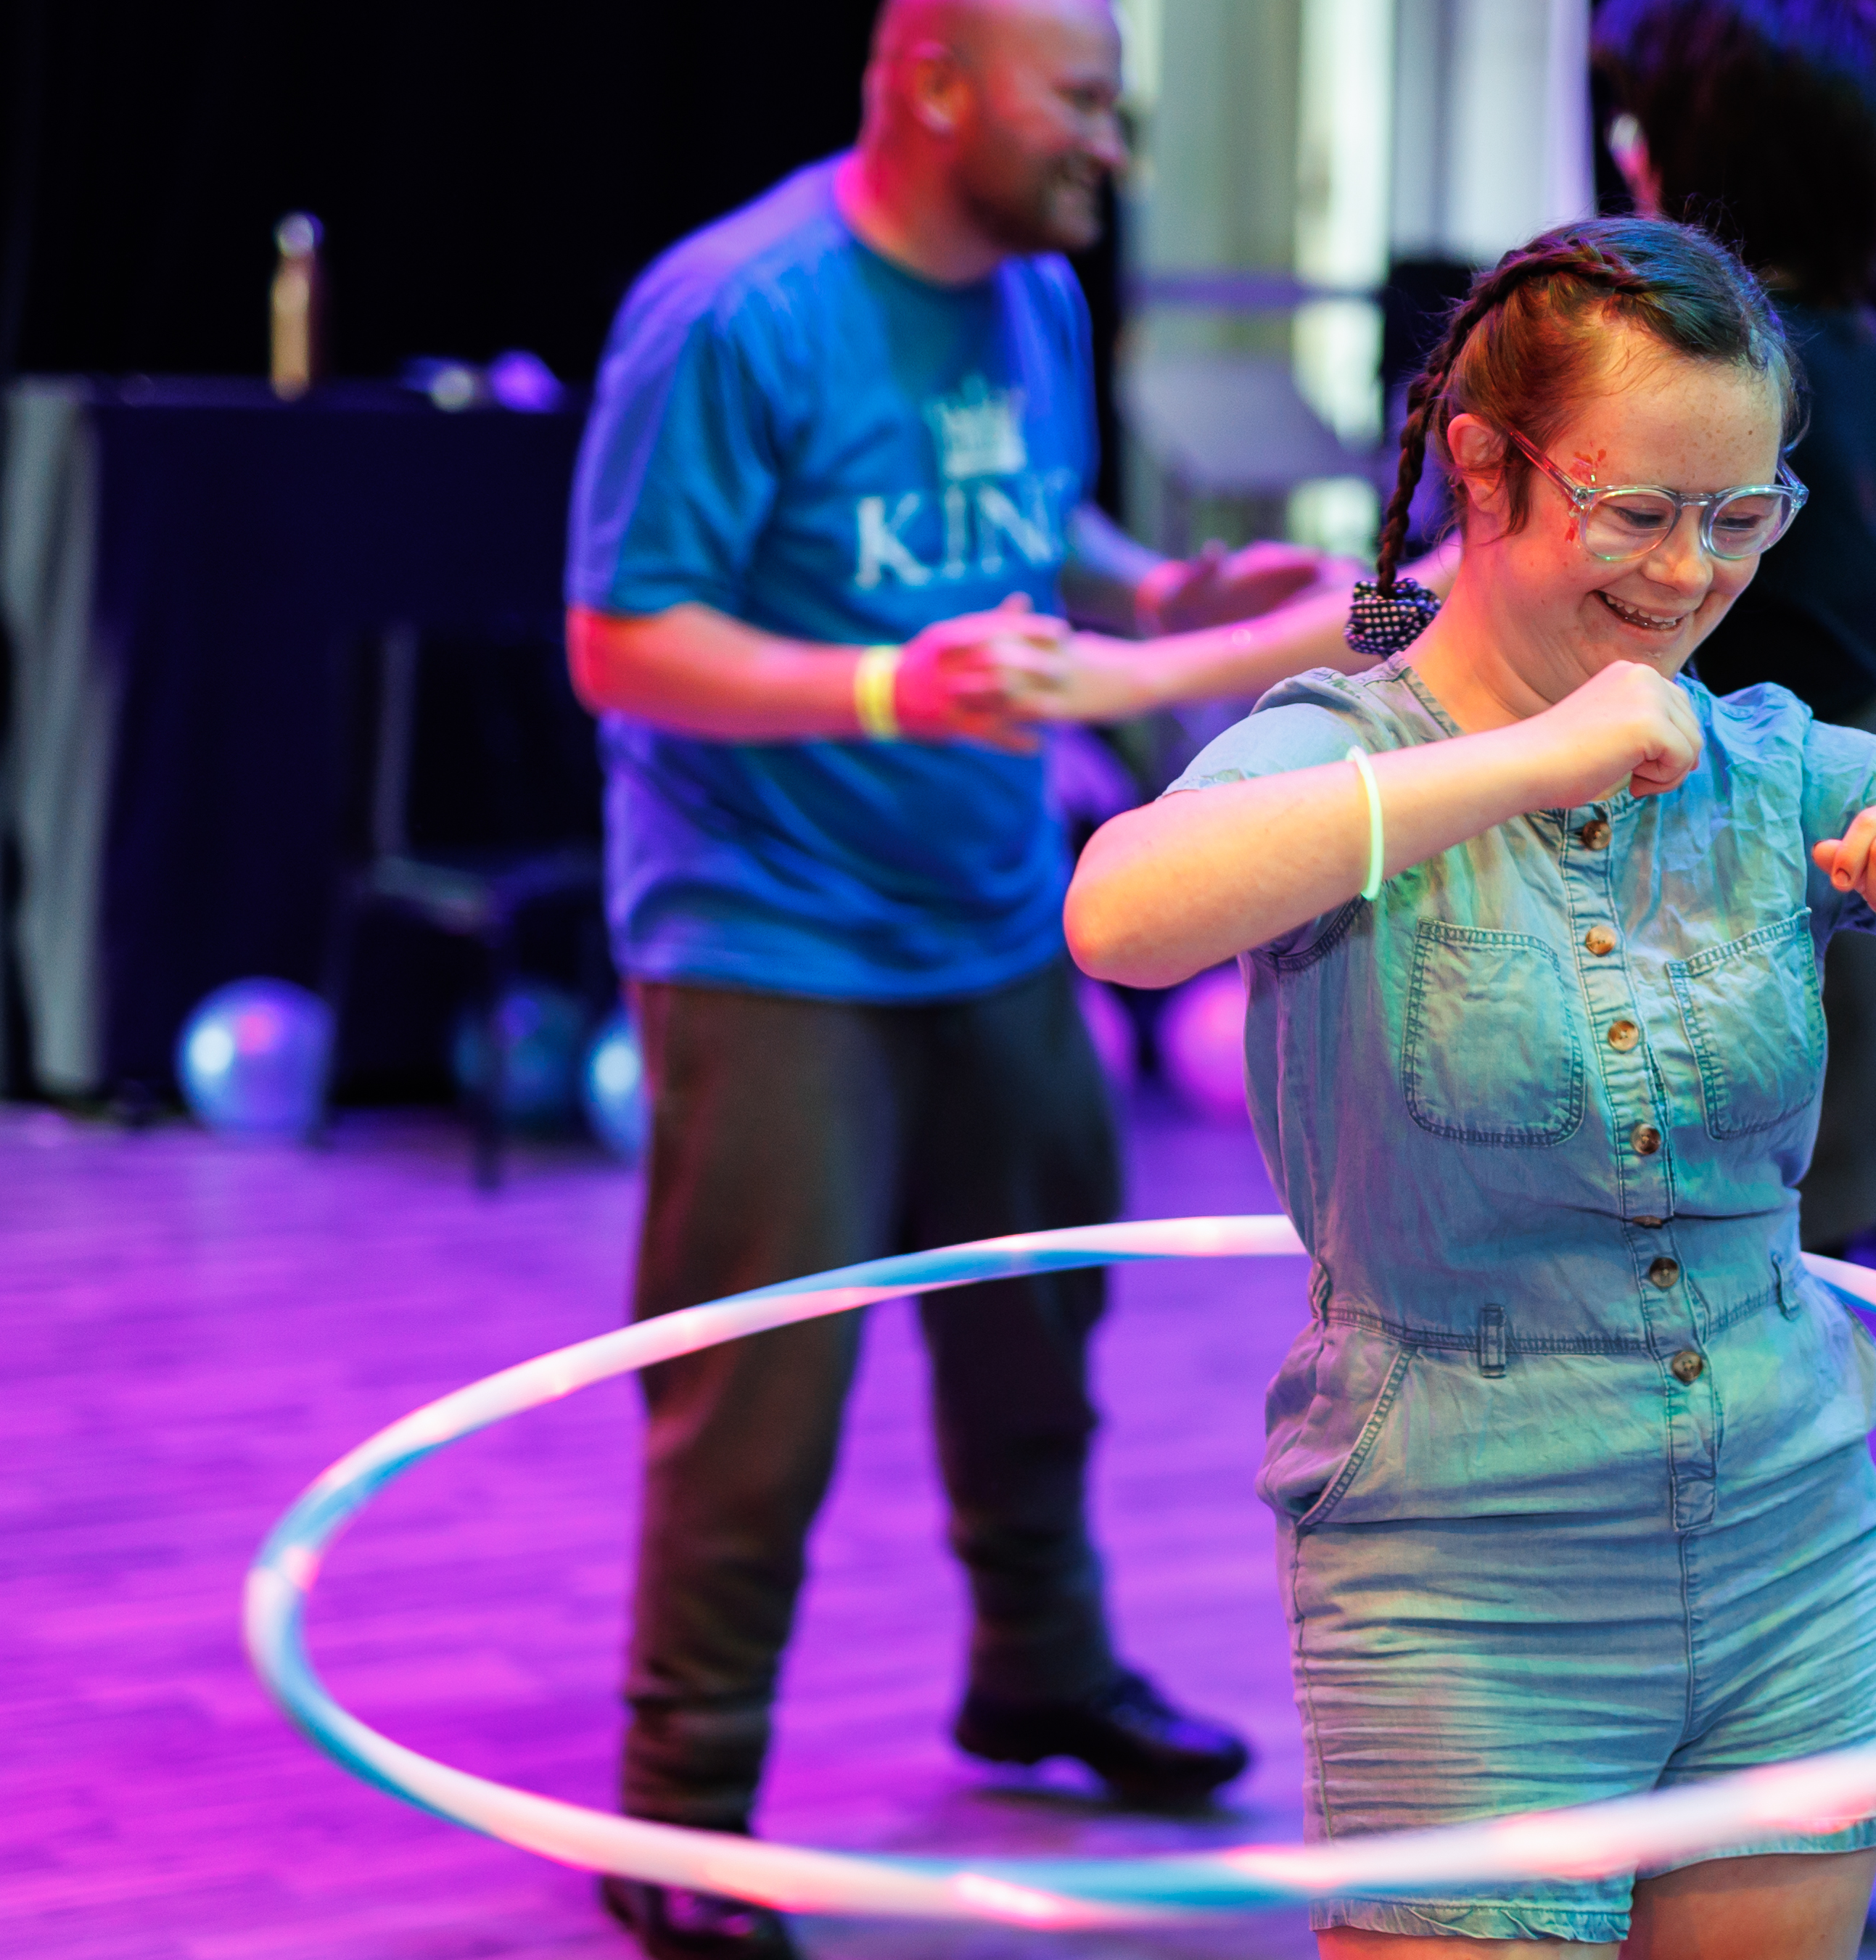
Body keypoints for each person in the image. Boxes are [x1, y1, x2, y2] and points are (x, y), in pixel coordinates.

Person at [1065, 215, 1876, 1957]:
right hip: (1461, 1572)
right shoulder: (1339, 750)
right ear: (1484, 468)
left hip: (1794, 1537)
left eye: (1743, 515)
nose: (1692, 573)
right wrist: (1526, 757)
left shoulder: (1774, 770)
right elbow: (1119, 913)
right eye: (1636, 510)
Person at [561, 1, 1379, 1953]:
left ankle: (1040, 1670)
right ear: (935, 85)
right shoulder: (733, 312)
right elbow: (619, 639)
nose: (1111, 142)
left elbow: (1023, 525)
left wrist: (1152, 592)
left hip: (992, 904)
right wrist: (881, 686)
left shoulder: (1031, 291)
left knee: (1035, 1329)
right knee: (760, 1391)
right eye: (1077, 100)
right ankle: (682, 1808)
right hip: (769, 929)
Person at [1592, 0, 1876, 1253]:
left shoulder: (1721, 388)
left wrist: (1361, 610)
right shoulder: (1862, 354)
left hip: (1735, 911)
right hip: (1815, 890)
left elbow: (1451, 604)